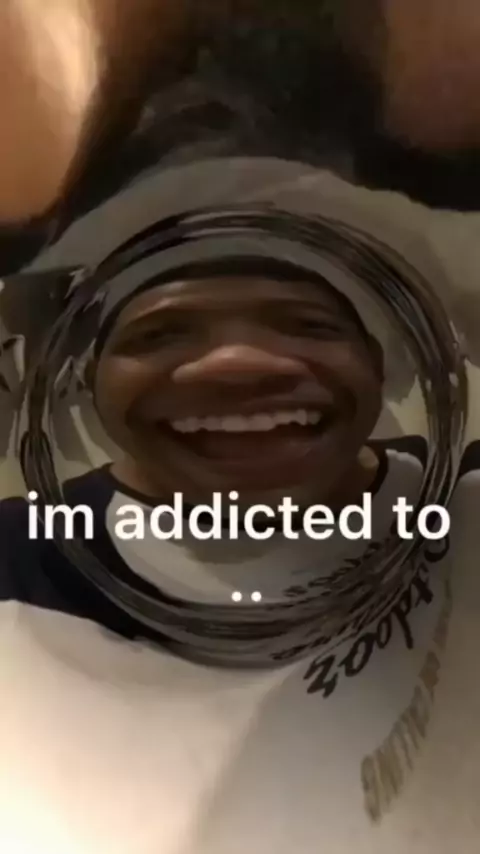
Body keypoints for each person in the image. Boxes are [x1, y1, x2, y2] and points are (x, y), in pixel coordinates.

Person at [0, 262, 454, 854]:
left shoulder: (464, 503)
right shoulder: (16, 556)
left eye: (308, 324)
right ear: (87, 376)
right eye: (160, 334)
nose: (237, 362)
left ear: (378, 361)